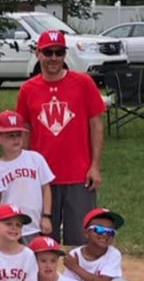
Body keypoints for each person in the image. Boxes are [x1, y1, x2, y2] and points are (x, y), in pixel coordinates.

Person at [16, 30, 106, 246]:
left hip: (78, 173)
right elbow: (25, 129)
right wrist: (24, 168)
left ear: (65, 54)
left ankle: (80, 270)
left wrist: (95, 166)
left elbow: (96, 125)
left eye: (59, 52)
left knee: (82, 239)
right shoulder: (28, 89)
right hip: (43, 176)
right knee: (44, 242)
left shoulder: (83, 82)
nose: (54, 58)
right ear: (38, 54)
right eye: (48, 52)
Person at [0, 109, 54, 242]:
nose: (15, 139)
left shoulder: (35, 158)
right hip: (9, 228)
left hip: (35, 226)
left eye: (18, 135)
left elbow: (46, 188)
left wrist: (46, 216)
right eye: (10, 135)